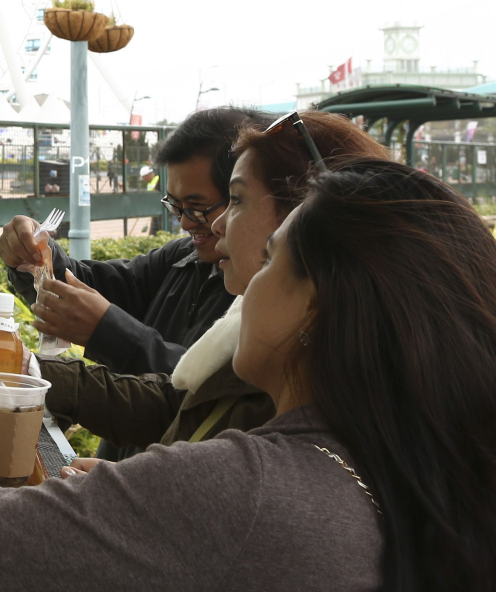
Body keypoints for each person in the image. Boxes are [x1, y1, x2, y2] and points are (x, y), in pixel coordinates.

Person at [0, 159, 496, 592]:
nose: (244, 283)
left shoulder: (256, 490)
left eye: (272, 260)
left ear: (316, 303)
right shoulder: (409, 472)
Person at [41, 111, 386, 459]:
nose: (212, 224)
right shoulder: (192, 264)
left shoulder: (285, 427)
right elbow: (180, 405)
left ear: (300, 217)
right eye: (175, 206)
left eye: (234, 200)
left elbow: (198, 468)